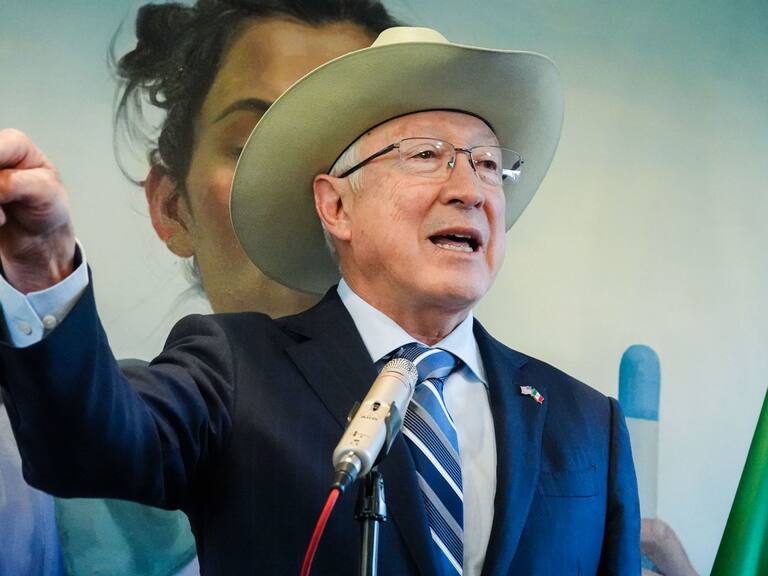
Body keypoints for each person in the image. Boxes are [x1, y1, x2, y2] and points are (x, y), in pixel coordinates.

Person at [0, 25, 641, 575]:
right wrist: (43, 267)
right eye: (428, 155)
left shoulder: (588, 423)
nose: (470, 190)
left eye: (488, 165)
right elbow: (85, 448)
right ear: (336, 206)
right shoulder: (236, 367)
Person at [1, 1, 400, 574]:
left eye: (360, 150)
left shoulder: (504, 441)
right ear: (172, 207)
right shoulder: (29, 476)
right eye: (252, 144)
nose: (321, 193)